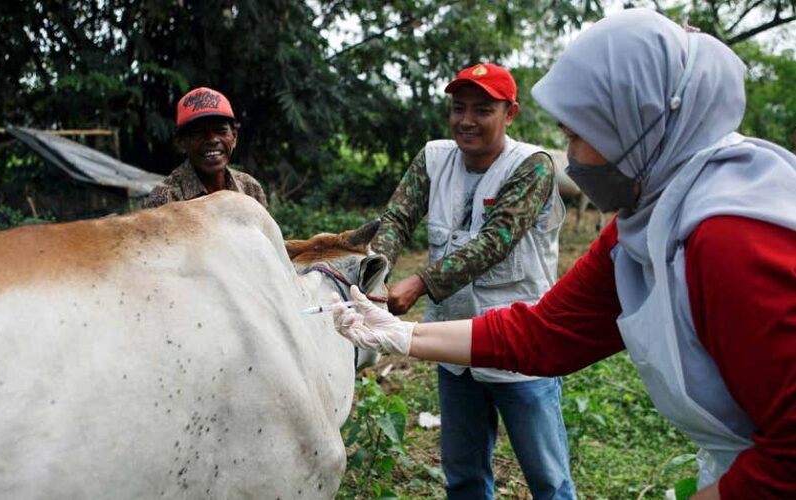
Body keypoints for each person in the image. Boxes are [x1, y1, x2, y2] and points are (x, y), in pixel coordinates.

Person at [333, 9, 796, 499]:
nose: (571, 158)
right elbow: (547, 331)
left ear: (636, 126)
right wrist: (407, 336)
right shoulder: (644, 227)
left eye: (578, 135)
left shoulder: (730, 238)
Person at [371, 62, 575, 499]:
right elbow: (397, 217)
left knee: (548, 481)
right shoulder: (434, 158)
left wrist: (418, 282)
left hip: (522, 349)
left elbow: (495, 242)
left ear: (510, 113)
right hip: (455, 346)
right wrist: (377, 272)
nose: (466, 120)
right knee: (463, 476)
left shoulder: (532, 166)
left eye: (482, 110)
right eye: (458, 108)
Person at [145, 87, 267, 209]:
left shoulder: (250, 189)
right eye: (199, 132)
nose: (212, 139)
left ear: (234, 137)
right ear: (181, 143)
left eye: (220, 130)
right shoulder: (164, 200)